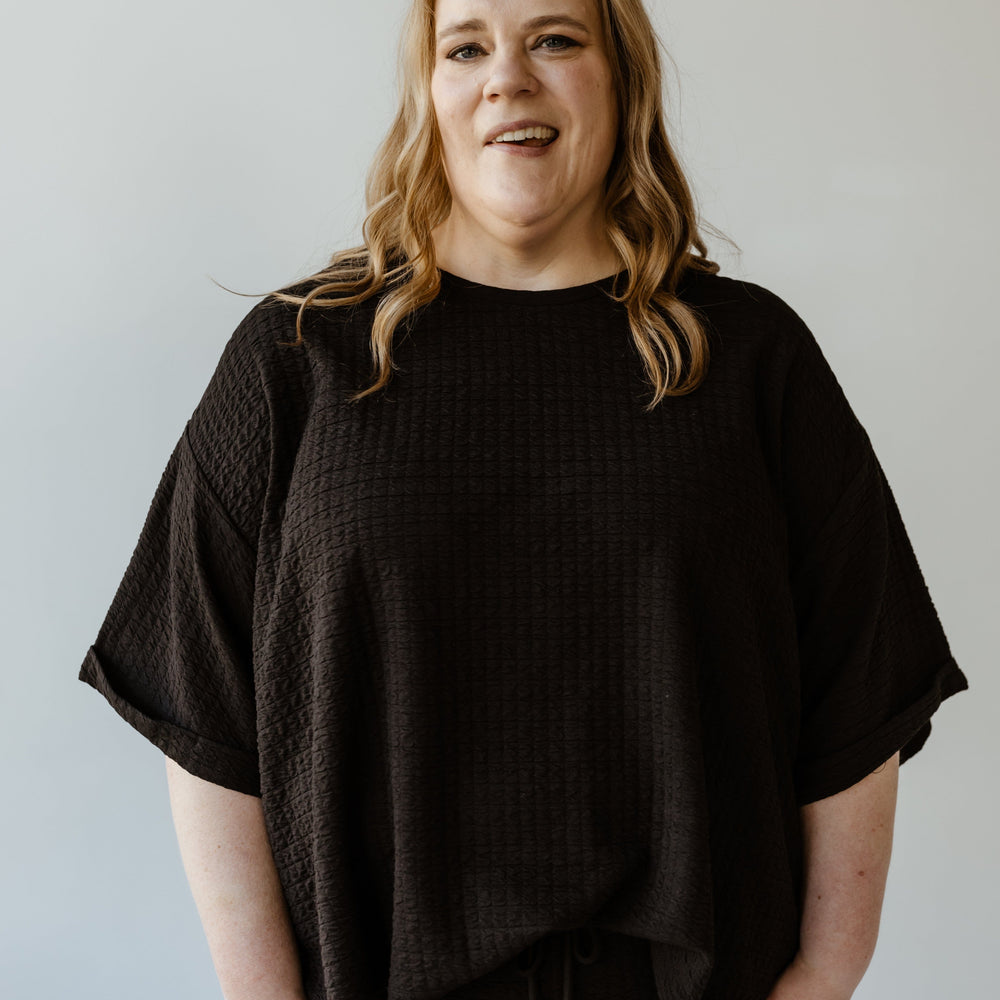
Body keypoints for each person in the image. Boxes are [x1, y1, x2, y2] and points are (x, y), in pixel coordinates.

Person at [78, 1, 969, 999]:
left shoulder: (752, 358)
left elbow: (860, 686)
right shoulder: (297, 362)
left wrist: (821, 974)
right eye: (465, 47)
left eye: (554, 38)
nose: (506, 77)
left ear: (621, 76)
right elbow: (204, 697)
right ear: (429, 92)